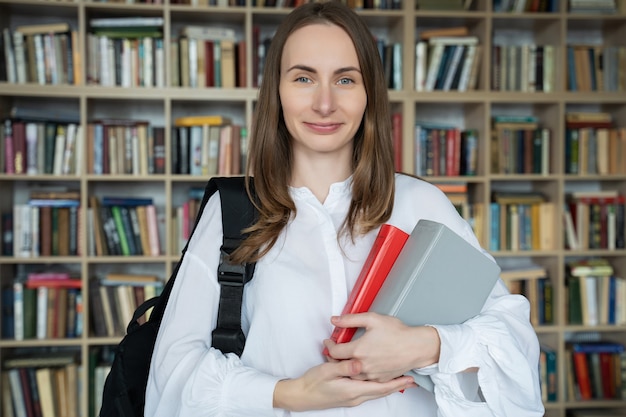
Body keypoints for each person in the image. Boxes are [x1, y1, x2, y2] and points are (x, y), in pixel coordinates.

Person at [145, 1, 544, 416]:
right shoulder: (232, 213)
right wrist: (287, 393)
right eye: (303, 78)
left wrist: (427, 345)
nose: (324, 103)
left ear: (368, 92)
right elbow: (172, 374)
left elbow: (515, 344)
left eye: (345, 80)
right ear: (277, 91)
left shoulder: (422, 205)